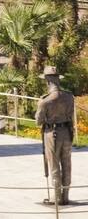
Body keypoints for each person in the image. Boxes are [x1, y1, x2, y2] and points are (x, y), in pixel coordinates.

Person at [37, 66, 75, 205]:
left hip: (51, 134)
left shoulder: (45, 101)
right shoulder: (69, 97)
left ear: (47, 81)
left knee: (54, 165)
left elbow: (38, 121)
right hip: (67, 132)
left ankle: (57, 198)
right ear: (58, 80)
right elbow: (70, 115)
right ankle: (65, 196)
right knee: (67, 164)